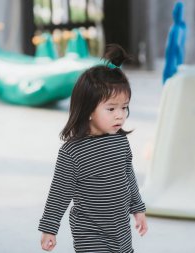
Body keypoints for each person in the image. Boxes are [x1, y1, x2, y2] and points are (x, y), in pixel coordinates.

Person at [38, 44, 148, 253]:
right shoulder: (73, 152)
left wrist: (138, 208)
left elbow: (128, 175)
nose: (120, 115)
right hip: (90, 232)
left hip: (120, 230)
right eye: (111, 108)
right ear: (88, 110)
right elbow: (59, 192)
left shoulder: (119, 141)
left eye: (124, 107)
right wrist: (49, 228)